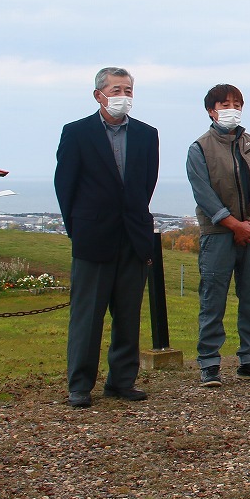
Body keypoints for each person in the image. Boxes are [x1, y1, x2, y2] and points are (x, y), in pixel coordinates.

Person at [55, 67, 159, 408]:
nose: (123, 96)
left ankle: (121, 381)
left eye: (128, 90)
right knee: (87, 316)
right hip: (93, 238)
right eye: (117, 89)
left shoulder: (147, 134)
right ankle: (80, 384)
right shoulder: (77, 133)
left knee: (128, 315)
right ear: (99, 93)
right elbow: (65, 188)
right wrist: (80, 231)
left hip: (133, 237)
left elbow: (146, 185)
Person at [187, 84, 250, 386]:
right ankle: (209, 362)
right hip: (218, 234)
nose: (232, 109)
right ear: (211, 110)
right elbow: (203, 192)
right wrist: (232, 224)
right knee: (213, 298)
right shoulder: (199, 148)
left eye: (237, 103)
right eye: (224, 104)